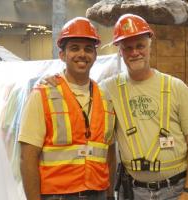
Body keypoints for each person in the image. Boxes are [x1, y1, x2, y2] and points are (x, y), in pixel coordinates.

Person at [99, 14, 188, 200]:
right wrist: (54, 80)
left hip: (175, 190)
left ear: (150, 45)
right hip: (133, 191)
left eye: (140, 46)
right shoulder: (109, 89)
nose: (135, 53)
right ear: (120, 51)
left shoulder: (175, 87)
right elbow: (83, 91)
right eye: (128, 48)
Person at [18, 17, 116, 200]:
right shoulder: (43, 94)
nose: (82, 54)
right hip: (58, 195)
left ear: (95, 55)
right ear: (62, 55)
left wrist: (110, 195)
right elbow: (27, 158)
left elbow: (109, 153)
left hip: (99, 193)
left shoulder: (105, 98)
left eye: (88, 49)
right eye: (74, 48)